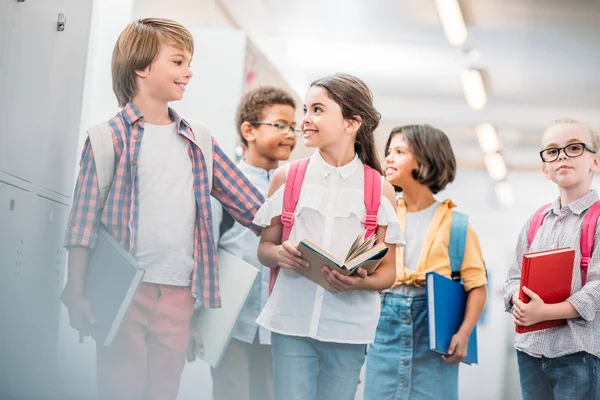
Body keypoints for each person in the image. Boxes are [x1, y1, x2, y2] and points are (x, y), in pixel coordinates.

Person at [63, 18, 264, 400]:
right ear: (141, 67)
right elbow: (81, 226)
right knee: (119, 389)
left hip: (180, 294)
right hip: (123, 292)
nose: (189, 72)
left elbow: (253, 208)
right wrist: (76, 294)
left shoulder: (198, 139)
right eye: (178, 61)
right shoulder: (107, 138)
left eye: (189, 63)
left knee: (162, 393)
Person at [254, 73, 404, 400]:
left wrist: (359, 282)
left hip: (349, 330)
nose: (305, 119)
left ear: (351, 123)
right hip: (290, 323)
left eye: (317, 110)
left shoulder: (379, 189)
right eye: (305, 110)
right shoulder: (287, 178)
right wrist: (279, 254)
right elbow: (264, 248)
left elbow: (389, 272)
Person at [364, 124, 487, 400]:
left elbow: (477, 286)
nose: (389, 159)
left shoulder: (457, 225)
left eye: (399, 151)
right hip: (385, 330)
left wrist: (464, 333)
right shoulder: (382, 214)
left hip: (434, 334)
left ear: (426, 161)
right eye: (389, 151)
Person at [209, 85, 298, 400]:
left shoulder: (293, 187)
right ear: (248, 131)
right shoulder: (224, 184)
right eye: (280, 125)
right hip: (230, 322)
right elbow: (205, 250)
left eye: (293, 127)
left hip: (276, 326)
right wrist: (196, 317)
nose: (290, 134)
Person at [504, 118, 600, 400]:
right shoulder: (536, 221)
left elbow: (597, 287)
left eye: (573, 148)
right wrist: (516, 301)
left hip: (578, 353)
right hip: (530, 351)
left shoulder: (597, 220)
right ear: (545, 168)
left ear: (595, 161)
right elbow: (513, 278)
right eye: (552, 151)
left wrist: (546, 312)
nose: (562, 157)